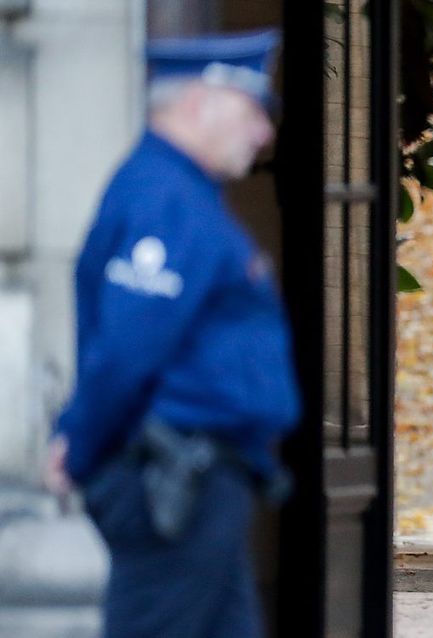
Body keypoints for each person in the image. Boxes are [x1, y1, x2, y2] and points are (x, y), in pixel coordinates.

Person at [43, 30, 299, 637]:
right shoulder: (167, 200)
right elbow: (128, 351)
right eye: (251, 110)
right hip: (176, 483)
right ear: (196, 104)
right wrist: (77, 445)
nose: (263, 133)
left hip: (205, 480)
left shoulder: (180, 194)